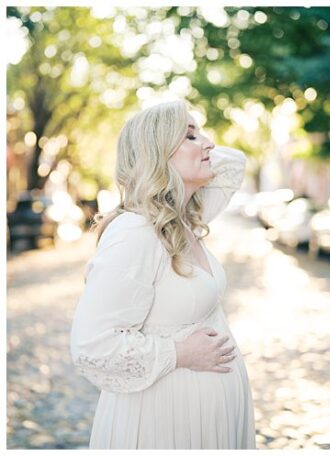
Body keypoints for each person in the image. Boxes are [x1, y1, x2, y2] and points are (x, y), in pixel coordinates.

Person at [69, 101, 254, 449]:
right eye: (190, 136)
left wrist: (188, 136)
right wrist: (180, 353)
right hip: (163, 423)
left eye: (200, 133)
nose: (209, 144)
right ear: (157, 153)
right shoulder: (135, 232)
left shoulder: (181, 222)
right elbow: (91, 345)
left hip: (208, 423)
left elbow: (235, 165)